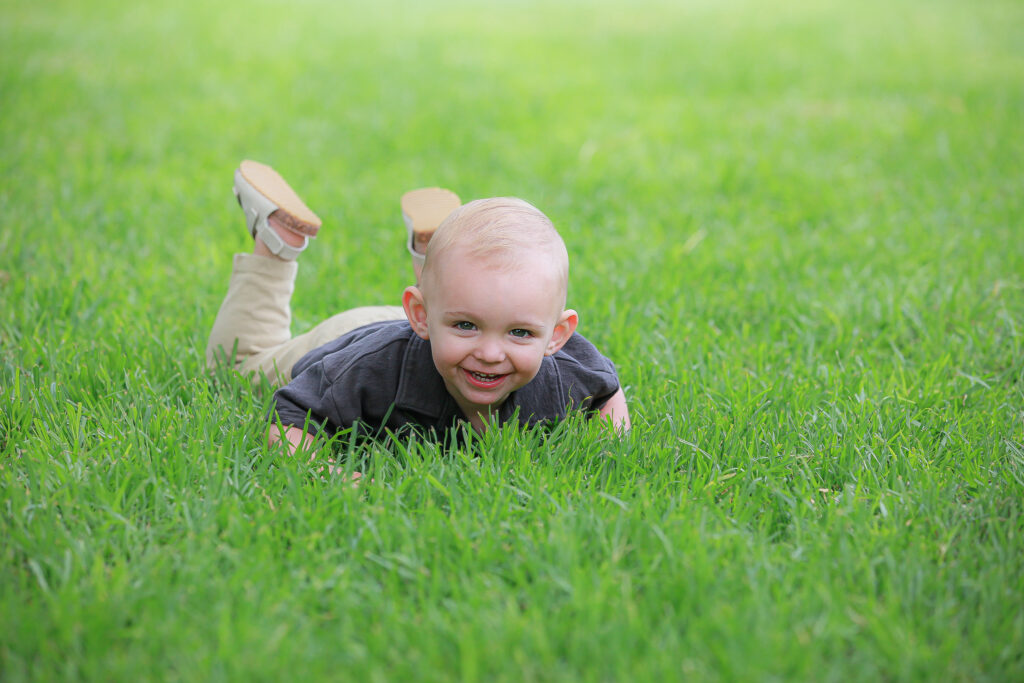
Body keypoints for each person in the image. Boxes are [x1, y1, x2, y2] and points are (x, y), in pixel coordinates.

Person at [207, 160, 630, 456]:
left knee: (460, 299)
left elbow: (608, 392)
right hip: (352, 340)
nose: (490, 352)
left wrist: (608, 448)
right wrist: (333, 475)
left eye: (519, 333)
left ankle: (439, 258)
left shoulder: (564, 373)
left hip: (435, 328)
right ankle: (275, 243)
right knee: (237, 367)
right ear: (420, 316)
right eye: (470, 326)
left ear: (557, 335)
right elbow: (289, 419)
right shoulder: (367, 373)